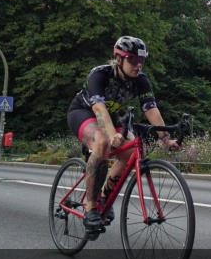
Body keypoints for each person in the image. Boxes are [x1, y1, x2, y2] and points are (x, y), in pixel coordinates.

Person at [66, 36, 179, 237]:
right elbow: (99, 110)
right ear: (119, 59)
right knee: (102, 142)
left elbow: (151, 109)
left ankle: (103, 197)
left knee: (131, 153)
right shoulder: (100, 75)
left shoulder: (141, 81)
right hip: (84, 112)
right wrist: (111, 135)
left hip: (112, 117)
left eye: (142, 61)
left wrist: (165, 138)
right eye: (133, 60)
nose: (138, 65)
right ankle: (90, 206)